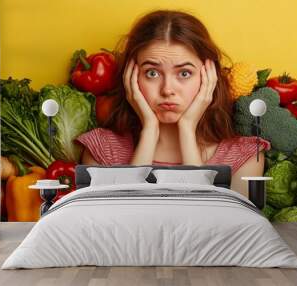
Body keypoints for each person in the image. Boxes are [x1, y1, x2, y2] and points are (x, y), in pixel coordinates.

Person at [76, 10, 270, 198]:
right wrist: (149, 132)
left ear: (208, 77)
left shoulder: (245, 156)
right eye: (152, 73)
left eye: (184, 73)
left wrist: (186, 129)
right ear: (131, 76)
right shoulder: (101, 149)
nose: (167, 89)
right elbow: (119, 220)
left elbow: (213, 224)